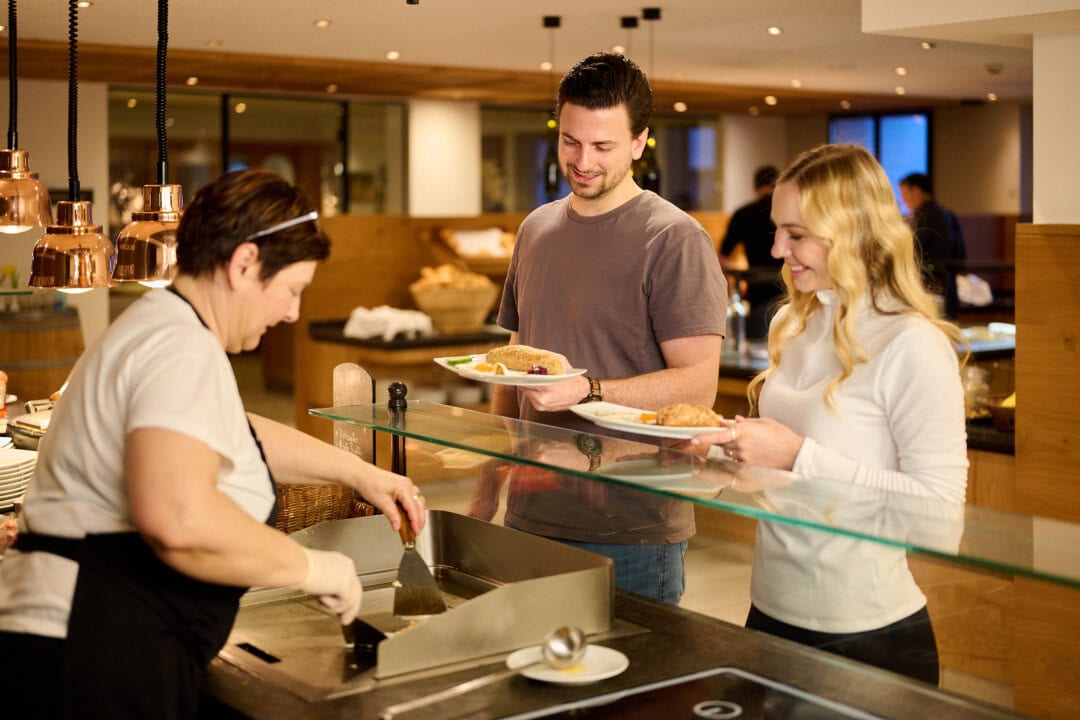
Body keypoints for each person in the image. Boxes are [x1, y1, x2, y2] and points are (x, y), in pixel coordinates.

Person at [0, 169, 427, 719]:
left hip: (88, 640)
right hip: (89, 649)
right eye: (292, 290)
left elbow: (237, 431)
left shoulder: (169, 329)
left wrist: (361, 474)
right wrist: (312, 567)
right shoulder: (178, 346)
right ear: (244, 264)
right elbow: (179, 521)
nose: (293, 313)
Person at [691, 144, 968, 684]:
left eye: (796, 235)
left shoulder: (911, 343)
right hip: (768, 615)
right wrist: (729, 456)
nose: (776, 248)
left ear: (854, 232)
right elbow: (791, 480)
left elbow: (940, 520)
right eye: (777, 230)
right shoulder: (789, 326)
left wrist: (798, 455)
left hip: (869, 637)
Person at [473, 52, 727, 605]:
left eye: (603, 146)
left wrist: (588, 390)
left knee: (633, 693)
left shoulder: (674, 239)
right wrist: (490, 483)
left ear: (640, 143)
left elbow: (697, 385)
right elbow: (512, 362)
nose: (583, 161)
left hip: (631, 528)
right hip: (530, 512)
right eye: (571, 142)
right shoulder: (535, 229)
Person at [719, 165, 784, 339]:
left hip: (757, 289)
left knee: (756, 341)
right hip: (787, 288)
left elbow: (722, 257)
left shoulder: (743, 214)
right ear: (778, 185)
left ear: (755, 188)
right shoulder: (786, 212)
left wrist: (727, 289)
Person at [898, 172, 966, 318]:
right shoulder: (947, 213)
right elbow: (961, 253)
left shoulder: (927, 217)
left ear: (916, 191)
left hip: (931, 287)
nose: (903, 200)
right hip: (948, 284)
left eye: (904, 193)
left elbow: (914, 251)